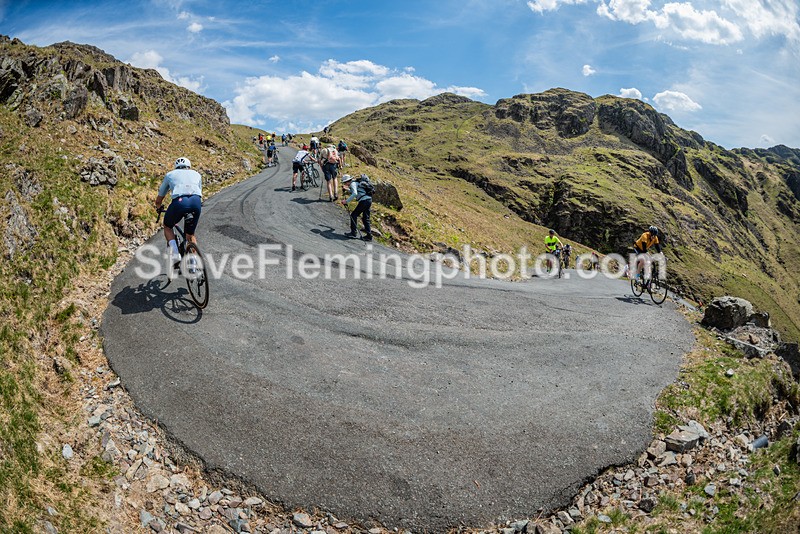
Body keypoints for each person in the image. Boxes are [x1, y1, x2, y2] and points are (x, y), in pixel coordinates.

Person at [154, 157, 203, 264]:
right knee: (190, 235)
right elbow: (199, 192)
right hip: (196, 202)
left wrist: (158, 206)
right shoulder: (197, 174)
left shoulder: (170, 175)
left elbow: (161, 194)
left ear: (176, 166)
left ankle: (175, 254)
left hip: (180, 202)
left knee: (167, 226)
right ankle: (193, 264)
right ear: (189, 166)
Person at [341, 174, 373, 241]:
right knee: (366, 218)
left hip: (364, 201)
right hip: (369, 200)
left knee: (353, 215)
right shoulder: (356, 183)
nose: (345, 184)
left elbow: (355, 193)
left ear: (347, 181)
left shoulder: (352, 184)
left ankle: (353, 233)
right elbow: (355, 191)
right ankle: (369, 236)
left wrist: (346, 201)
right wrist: (347, 189)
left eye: (345, 182)